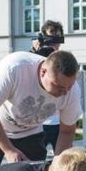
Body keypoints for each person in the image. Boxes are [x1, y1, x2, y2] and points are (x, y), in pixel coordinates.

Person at [31, 20, 66, 154]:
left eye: (57, 40)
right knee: (35, 158)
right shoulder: (35, 57)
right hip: (40, 123)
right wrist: (35, 51)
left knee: (63, 159)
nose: (53, 45)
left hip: (58, 121)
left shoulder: (63, 59)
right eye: (50, 40)